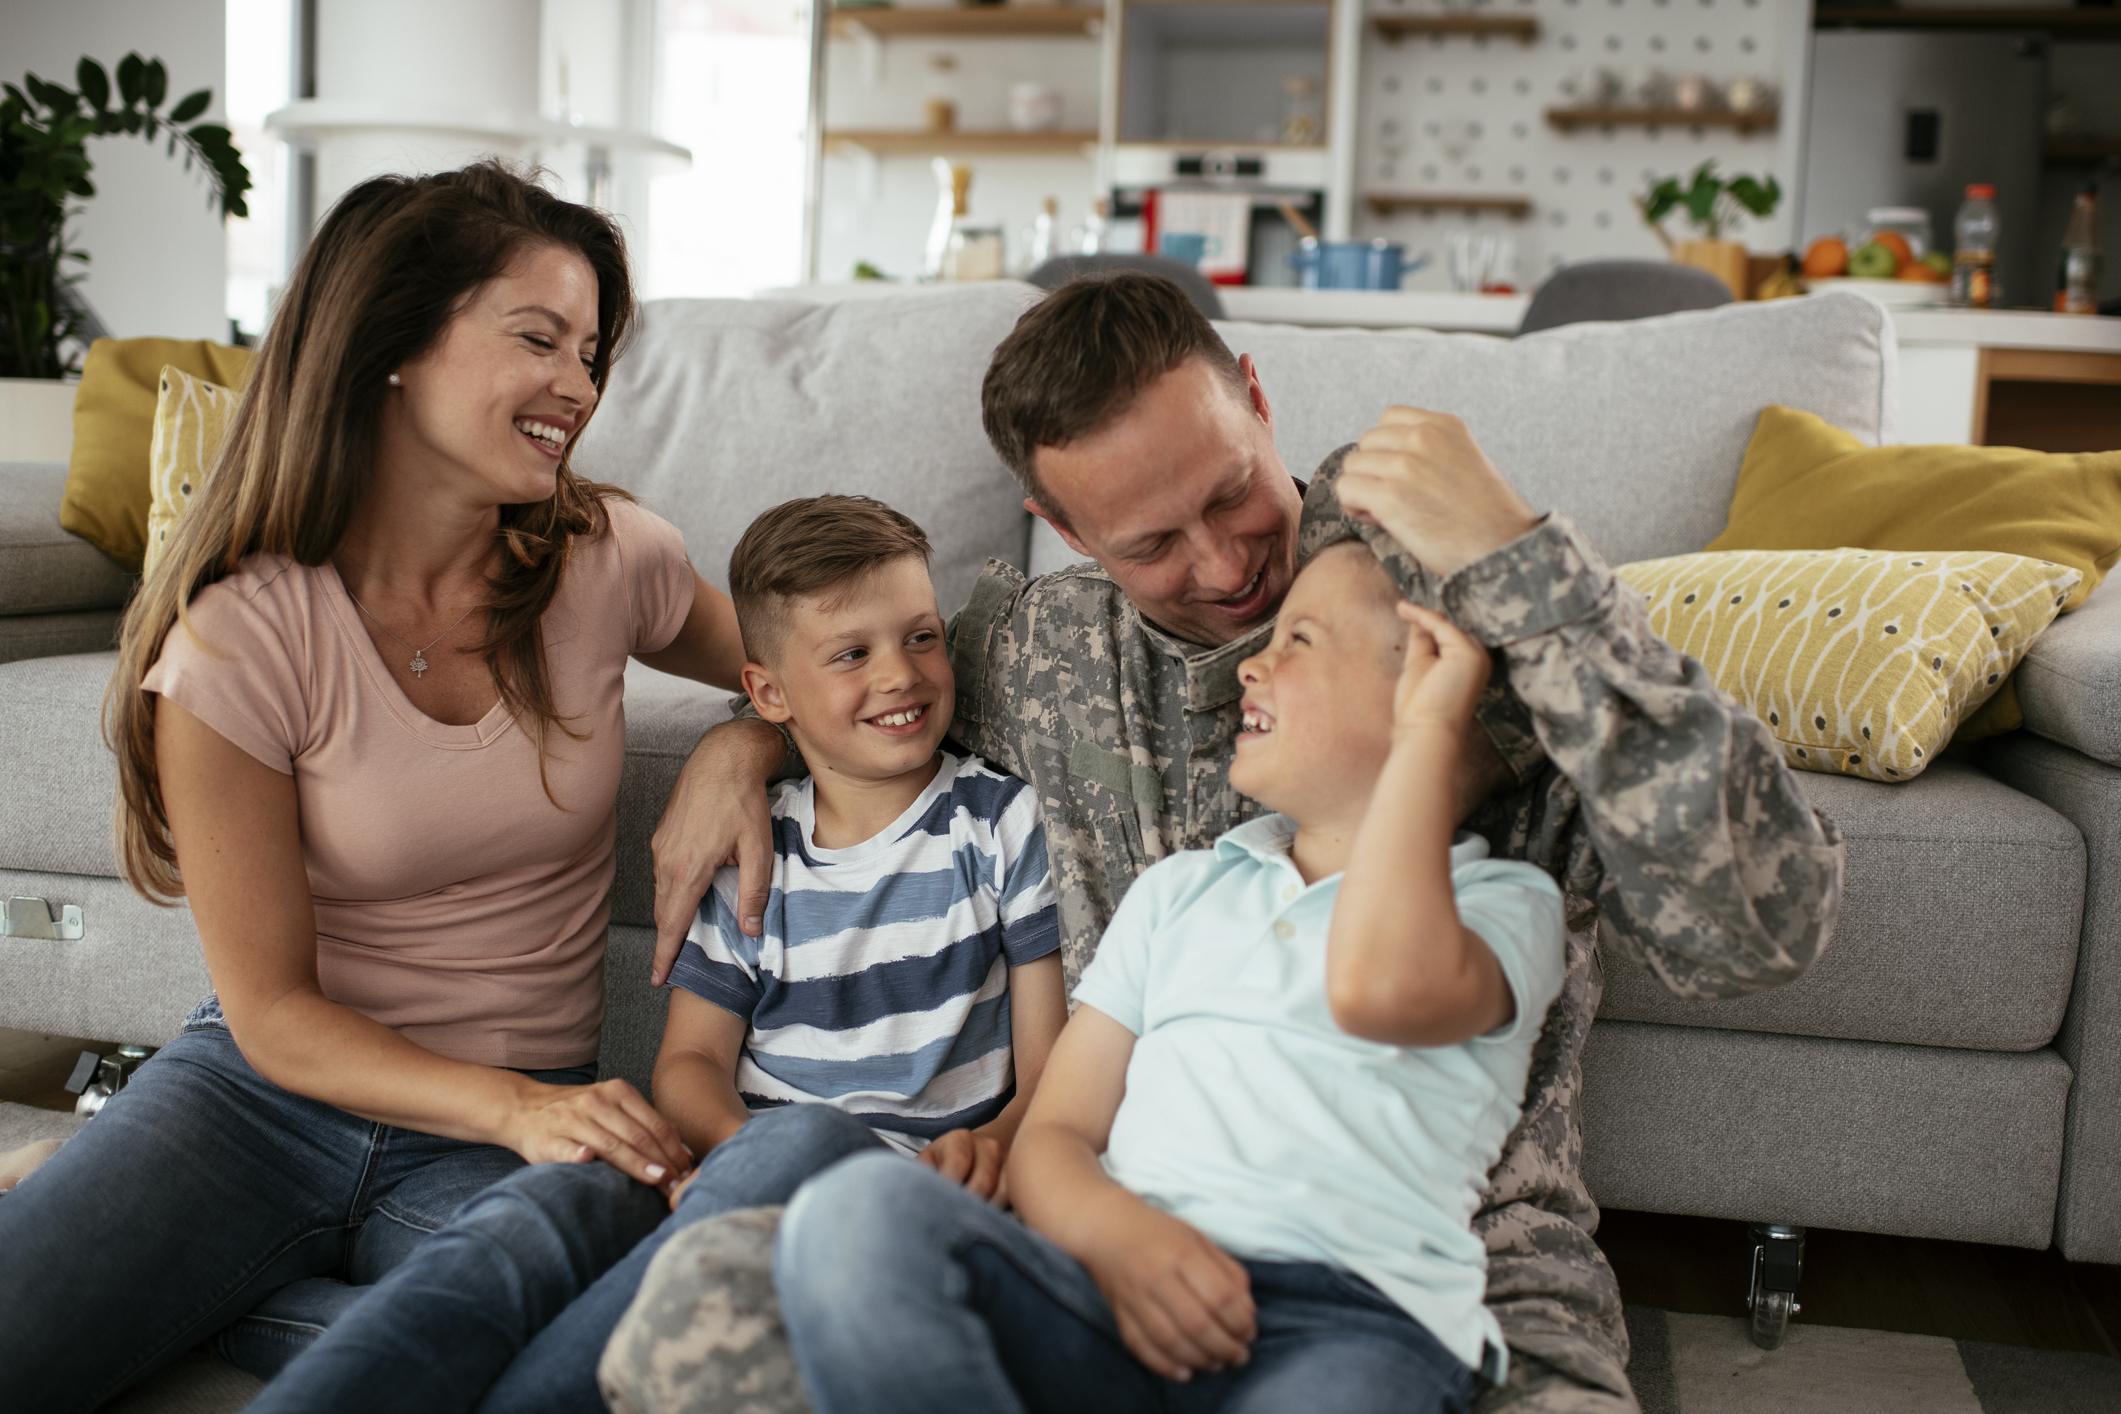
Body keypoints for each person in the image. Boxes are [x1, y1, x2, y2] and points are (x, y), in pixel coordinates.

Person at [641, 272, 1845, 1411]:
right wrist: (744, 745)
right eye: (1151, 544)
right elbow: (862, 699)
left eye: (1231, 494)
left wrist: (1528, 565)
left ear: (1258, 398)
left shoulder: (1438, 603)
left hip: (1455, 1268)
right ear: (1062, 528)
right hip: (1114, 1237)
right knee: (723, 1315)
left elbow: (1759, 928)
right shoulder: (1042, 655)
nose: (1223, 566)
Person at [0, 163, 742, 1413]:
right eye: (539, 339)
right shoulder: (239, 640)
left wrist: (740, 748)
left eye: (590, 353)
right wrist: (517, 1109)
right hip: (262, 1098)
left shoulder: (608, 557)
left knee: (595, 1317)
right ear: (393, 344)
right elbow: (275, 1015)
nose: (579, 385)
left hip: (507, 1137)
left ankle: (190, 1277)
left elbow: (812, 677)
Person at [242, 495, 1070, 1414]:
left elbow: (1051, 1072)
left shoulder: (1000, 824)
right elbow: (688, 1067)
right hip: (742, 1171)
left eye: (922, 637)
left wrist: (993, 1147)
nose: (900, 674)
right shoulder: (752, 850)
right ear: (768, 694)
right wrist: (749, 1157)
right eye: (852, 654)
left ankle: (279, 1322)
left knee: (796, 1159)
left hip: (899, 1208)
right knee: (561, 1207)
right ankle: (275, 1321)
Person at [776, 539, 1567, 1414]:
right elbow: (1056, 1132)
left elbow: (1376, 987)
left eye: (1298, 641)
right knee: (853, 1215)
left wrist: (1425, 737)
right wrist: (1120, 1242)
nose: (1250, 666)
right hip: (1115, 1293)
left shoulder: (1501, 906)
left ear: (1430, 696)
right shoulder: (1181, 892)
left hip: (1350, 1325)